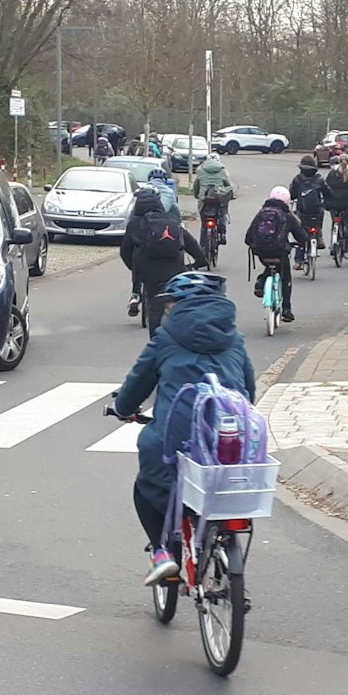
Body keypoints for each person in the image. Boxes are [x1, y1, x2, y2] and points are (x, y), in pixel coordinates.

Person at [107, 271, 255, 585]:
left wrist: (122, 408)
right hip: (229, 443)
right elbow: (249, 392)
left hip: (177, 443)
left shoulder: (166, 337)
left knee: (147, 487)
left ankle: (162, 553)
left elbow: (137, 384)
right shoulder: (234, 338)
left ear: (178, 305)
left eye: (171, 304)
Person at [119, 185, 208, 332]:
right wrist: (199, 261)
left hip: (149, 274)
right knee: (179, 301)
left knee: (155, 305)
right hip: (175, 270)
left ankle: (157, 341)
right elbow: (191, 244)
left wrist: (135, 268)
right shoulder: (171, 220)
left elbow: (125, 251)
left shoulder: (135, 223)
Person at [244, 185, 307, 323]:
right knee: (285, 277)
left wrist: (254, 244)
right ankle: (286, 309)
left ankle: (261, 282)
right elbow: (301, 237)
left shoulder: (261, 214)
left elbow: (248, 237)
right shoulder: (288, 216)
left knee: (269, 265)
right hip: (279, 252)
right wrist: (302, 244)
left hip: (260, 252)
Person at [289, 155, 327, 262]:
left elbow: (292, 194)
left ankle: (299, 260)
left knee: (301, 233)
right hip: (316, 211)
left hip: (303, 211)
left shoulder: (297, 179)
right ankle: (319, 237)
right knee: (318, 221)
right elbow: (327, 192)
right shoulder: (319, 179)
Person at [191, 154, 236, 244]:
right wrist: (230, 196)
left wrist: (197, 195)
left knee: (204, 219)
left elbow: (196, 185)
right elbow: (228, 185)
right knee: (222, 212)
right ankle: (222, 233)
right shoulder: (223, 170)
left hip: (204, 198)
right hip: (218, 197)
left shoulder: (201, 170)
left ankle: (203, 237)